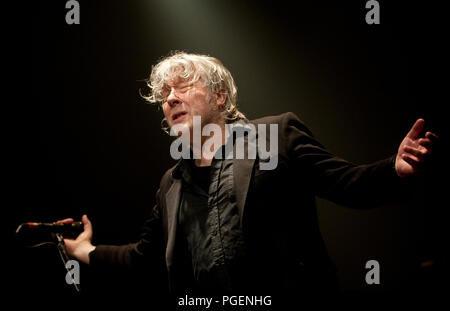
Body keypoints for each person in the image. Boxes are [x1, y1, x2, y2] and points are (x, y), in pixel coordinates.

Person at [59, 52, 437, 306]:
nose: (171, 99)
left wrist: (394, 168)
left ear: (221, 97)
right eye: (165, 93)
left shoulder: (275, 136)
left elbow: (348, 183)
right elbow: (146, 260)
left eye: (184, 86)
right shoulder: (171, 184)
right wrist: (84, 252)